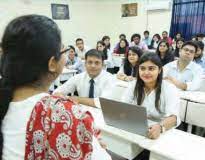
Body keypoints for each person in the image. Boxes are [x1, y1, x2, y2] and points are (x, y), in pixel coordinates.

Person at [0, 15, 111, 160]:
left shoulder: (6, 99)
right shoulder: (65, 115)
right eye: (63, 50)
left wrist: (85, 140)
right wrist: (86, 141)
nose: (92, 65)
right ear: (52, 63)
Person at [122, 52, 180, 151]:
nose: (146, 72)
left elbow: (174, 117)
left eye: (151, 68)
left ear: (160, 70)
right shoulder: (133, 85)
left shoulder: (169, 88)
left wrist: (160, 127)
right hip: (139, 128)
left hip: (162, 132)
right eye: (142, 68)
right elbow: (123, 106)